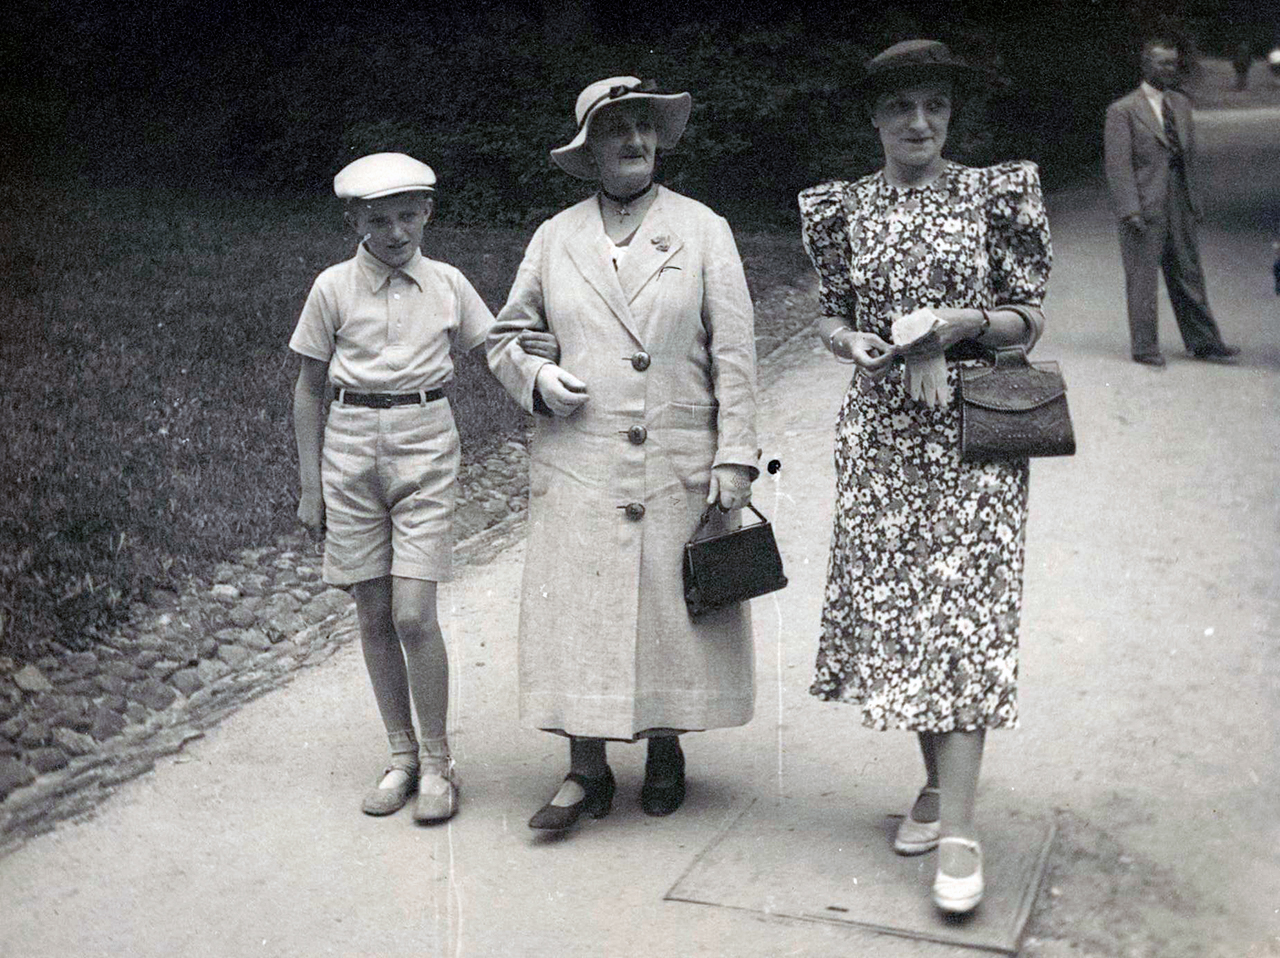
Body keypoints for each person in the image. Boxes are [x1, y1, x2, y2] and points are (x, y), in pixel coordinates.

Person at [798, 39, 1052, 915]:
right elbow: (832, 314)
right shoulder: (844, 208)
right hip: (882, 435)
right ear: (875, 117)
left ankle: (960, 834)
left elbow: (1028, 317)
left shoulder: (993, 194)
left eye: (935, 107)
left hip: (975, 431)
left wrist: (964, 321)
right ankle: (939, 787)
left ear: (950, 115)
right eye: (902, 107)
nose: (919, 123)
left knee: (965, 615)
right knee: (906, 616)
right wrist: (852, 342)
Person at [487, 76, 760, 832]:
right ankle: (585, 768)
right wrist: (537, 378)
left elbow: (735, 352)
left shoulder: (703, 229)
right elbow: (506, 338)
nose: (636, 141)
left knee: (670, 609)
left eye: (645, 127)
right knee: (582, 609)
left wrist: (735, 454)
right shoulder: (555, 237)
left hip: (675, 451)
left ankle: (666, 750)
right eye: (617, 130)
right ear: (590, 150)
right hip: (581, 455)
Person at [290, 153, 496, 824]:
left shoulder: (449, 284)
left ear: (428, 213)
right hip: (350, 447)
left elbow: (499, 349)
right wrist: (311, 486)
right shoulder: (332, 287)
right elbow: (308, 389)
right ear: (356, 220)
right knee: (374, 614)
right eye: (379, 220)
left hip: (425, 441)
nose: (397, 232)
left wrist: (545, 373)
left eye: (409, 216)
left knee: (413, 613)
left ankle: (438, 761)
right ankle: (402, 755)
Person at [1104, 36, 1239, 367]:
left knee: (1189, 273)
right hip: (1144, 204)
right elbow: (1118, 166)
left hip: (1179, 200)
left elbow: (1189, 159)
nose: (1169, 69)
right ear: (1145, 65)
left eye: (1173, 63)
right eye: (1162, 63)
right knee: (1143, 278)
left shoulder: (1180, 104)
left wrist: (1194, 201)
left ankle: (1205, 342)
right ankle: (1145, 347)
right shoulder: (1123, 110)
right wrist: (1129, 210)